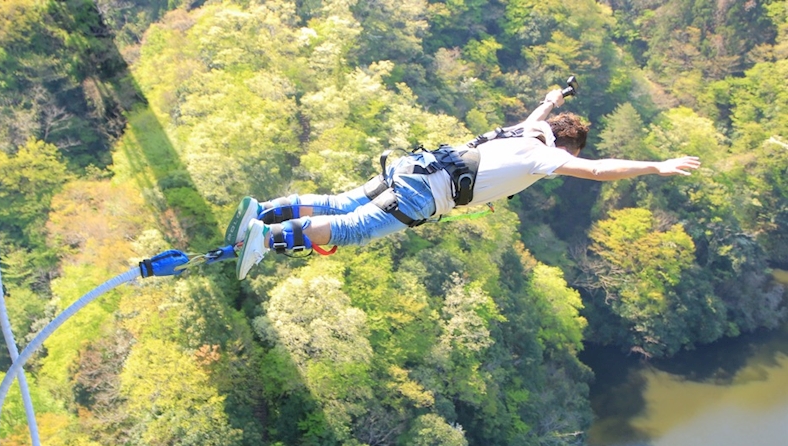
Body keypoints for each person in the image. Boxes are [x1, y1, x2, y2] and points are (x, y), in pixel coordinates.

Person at [227, 88, 701, 280]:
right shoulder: (544, 154)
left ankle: (264, 211)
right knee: (349, 227)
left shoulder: (527, 130)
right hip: (425, 194)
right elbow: (598, 170)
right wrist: (656, 166)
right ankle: (266, 238)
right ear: (566, 148)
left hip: (416, 168)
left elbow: (540, 111)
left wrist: (556, 95)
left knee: (338, 201)